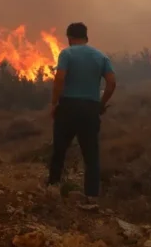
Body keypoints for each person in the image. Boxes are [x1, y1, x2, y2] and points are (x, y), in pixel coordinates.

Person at [47, 22, 116, 200]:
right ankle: (91, 197)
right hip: (90, 109)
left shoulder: (66, 53)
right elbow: (111, 83)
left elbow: (59, 78)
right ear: (86, 37)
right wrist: (101, 104)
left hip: (68, 107)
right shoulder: (101, 57)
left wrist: (54, 103)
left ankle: (53, 188)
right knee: (91, 155)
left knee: (59, 150)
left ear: (69, 38)